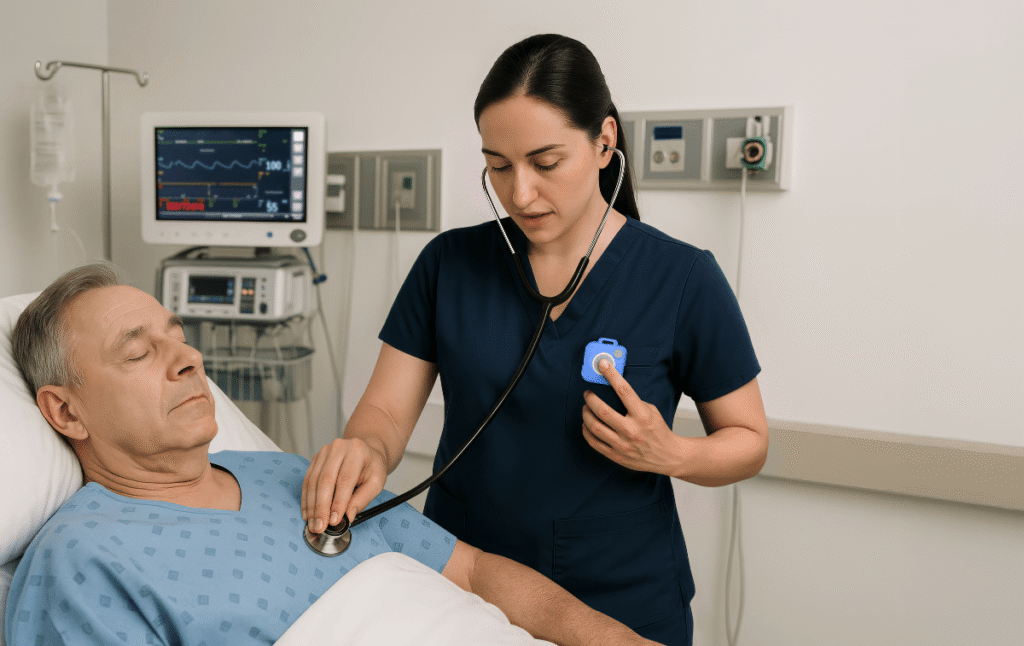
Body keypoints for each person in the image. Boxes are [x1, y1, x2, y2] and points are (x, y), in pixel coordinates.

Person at [303, 33, 769, 646]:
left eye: (545, 164)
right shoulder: (448, 265)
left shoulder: (682, 279)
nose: (519, 193)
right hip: (464, 594)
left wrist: (672, 454)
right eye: (498, 166)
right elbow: (386, 411)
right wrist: (363, 449)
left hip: (619, 604)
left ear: (605, 143)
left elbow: (749, 441)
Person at [5, 263, 658, 646]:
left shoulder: (298, 474)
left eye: (178, 337)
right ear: (66, 411)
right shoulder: (84, 557)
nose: (189, 358)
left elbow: (476, 574)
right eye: (140, 351)